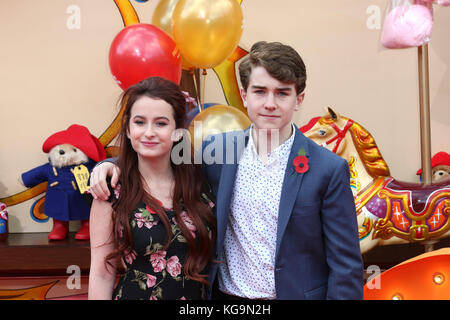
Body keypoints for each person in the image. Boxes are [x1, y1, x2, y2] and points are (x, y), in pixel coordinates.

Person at [89, 41, 364, 300]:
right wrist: (108, 166)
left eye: (282, 93)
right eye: (259, 91)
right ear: (244, 95)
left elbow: (346, 266)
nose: (270, 103)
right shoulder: (218, 152)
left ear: (299, 98)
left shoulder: (328, 169)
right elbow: (160, 157)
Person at [88, 77, 216, 300]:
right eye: (139, 122)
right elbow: (101, 273)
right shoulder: (111, 191)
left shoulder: (201, 183)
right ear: (128, 129)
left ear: (177, 131)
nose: (149, 132)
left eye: (161, 123)